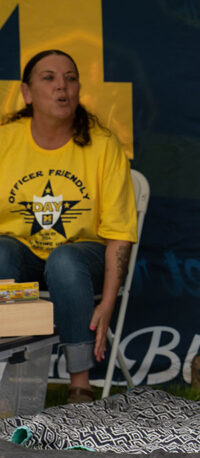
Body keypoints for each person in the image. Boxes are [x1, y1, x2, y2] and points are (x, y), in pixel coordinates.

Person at [0, 50, 138, 403]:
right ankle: (18, 382)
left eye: (71, 78)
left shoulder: (103, 145)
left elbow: (120, 235)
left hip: (82, 255)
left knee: (64, 260)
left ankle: (80, 386)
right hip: (23, 257)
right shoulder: (6, 140)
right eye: (48, 78)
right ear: (27, 93)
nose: (62, 87)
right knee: (2, 254)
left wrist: (108, 302)